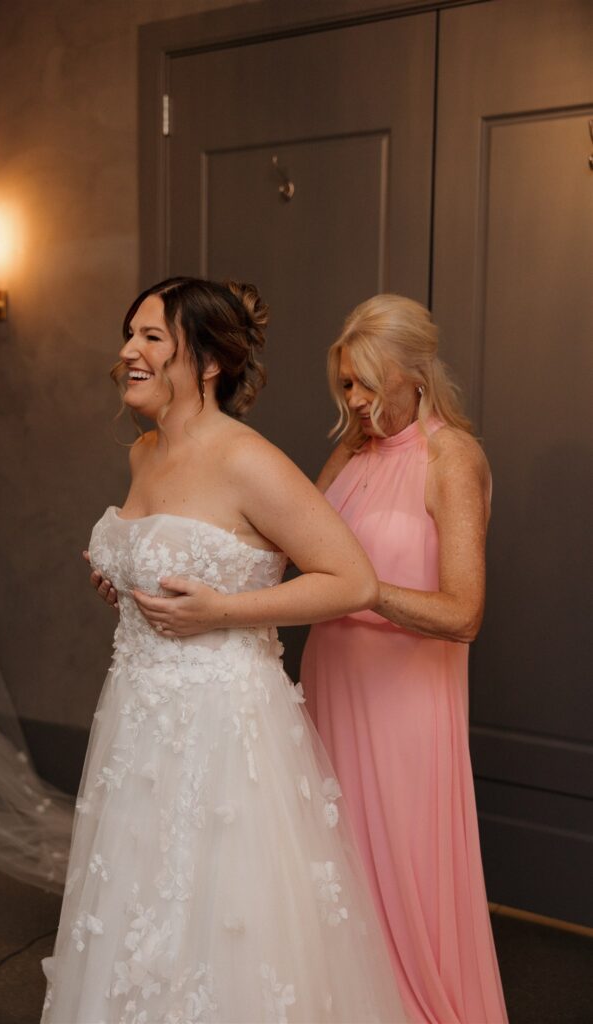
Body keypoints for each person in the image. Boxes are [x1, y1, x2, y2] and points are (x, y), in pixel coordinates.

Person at [42, 277, 406, 1024]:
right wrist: (125, 582)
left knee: (223, 917)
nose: (127, 352)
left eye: (150, 337)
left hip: (221, 727)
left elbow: (353, 581)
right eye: (129, 335)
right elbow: (169, 550)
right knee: (140, 906)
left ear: (207, 360)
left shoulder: (247, 460)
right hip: (138, 724)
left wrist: (221, 610)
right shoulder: (144, 454)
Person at [300, 294, 507, 1024]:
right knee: (331, 867)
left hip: (404, 708)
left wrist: (362, 590)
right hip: (329, 685)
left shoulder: (451, 457)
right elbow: (286, 550)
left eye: (364, 383)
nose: (352, 401)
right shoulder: (351, 452)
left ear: (411, 374)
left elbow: (463, 613)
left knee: (400, 872)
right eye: (344, 385)